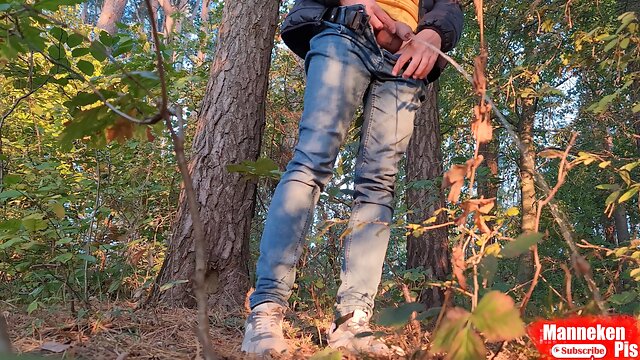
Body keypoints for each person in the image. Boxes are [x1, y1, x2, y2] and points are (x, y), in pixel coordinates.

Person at [241, 0, 463, 356]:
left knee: (379, 185)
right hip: (344, 32)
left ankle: (353, 320)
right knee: (311, 162)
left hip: (406, 62)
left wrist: (433, 33)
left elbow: (448, 6)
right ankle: (266, 310)